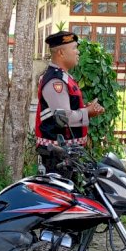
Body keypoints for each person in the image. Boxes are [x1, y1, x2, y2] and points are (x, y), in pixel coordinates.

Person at [35, 31, 104, 174]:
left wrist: (86, 108)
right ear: (61, 52)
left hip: (66, 152)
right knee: (61, 195)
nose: (77, 52)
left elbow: (64, 109)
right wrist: (88, 112)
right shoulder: (56, 81)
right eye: (74, 48)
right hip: (58, 153)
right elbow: (64, 117)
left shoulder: (64, 77)